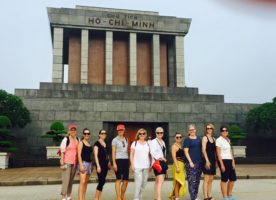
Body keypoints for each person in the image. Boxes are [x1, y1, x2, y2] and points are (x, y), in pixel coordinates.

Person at [216, 126, 237, 200]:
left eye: (226, 130)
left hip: (230, 160)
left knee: (232, 178)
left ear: (227, 132)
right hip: (223, 160)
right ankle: (225, 196)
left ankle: (229, 195)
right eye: (223, 130)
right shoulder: (218, 140)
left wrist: (233, 161)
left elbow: (230, 151)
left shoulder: (228, 139)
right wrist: (221, 164)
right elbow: (218, 153)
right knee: (224, 179)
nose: (224, 132)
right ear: (221, 132)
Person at [130, 128, 151, 200]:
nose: (142, 135)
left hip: (146, 166)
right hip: (137, 166)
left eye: (143, 133)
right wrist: (132, 165)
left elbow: (150, 155)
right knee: (138, 183)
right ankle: (136, 198)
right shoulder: (134, 143)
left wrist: (151, 164)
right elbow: (131, 154)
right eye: (140, 134)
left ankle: (140, 195)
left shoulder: (148, 143)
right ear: (138, 135)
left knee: (144, 183)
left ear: (145, 135)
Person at [60, 124, 79, 200]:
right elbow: (62, 151)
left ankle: (68, 195)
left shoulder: (78, 139)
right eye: (71, 130)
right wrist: (62, 162)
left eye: (74, 130)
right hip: (67, 162)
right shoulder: (66, 139)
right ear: (69, 131)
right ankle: (63, 196)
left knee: (71, 180)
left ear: (76, 131)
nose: (73, 131)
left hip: (74, 163)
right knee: (66, 180)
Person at [183, 124, 202, 200]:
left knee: (197, 181)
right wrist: (190, 162)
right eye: (190, 130)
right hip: (191, 163)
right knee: (192, 181)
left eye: (193, 129)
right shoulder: (187, 140)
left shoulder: (199, 139)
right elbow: (186, 151)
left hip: (199, 163)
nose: (192, 131)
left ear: (195, 130)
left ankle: (195, 195)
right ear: (189, 131)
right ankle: (193, 197)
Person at [112, 124, 129, 200]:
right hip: (118, 160)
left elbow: (127, 151)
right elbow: (113, 152)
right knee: (118, 179)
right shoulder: (115, 140)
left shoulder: (126, 139)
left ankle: (122, 195)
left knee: (125, 180)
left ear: (124, 130)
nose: (120, 131)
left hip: (126, 160)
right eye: (119, 130)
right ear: (117, 131)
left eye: (121, 130)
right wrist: (114, 163)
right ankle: (118, 197)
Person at [150, 127, 168, 200]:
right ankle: (159, 198)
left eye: (161, 132)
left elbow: (163, 152)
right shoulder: (154, 141)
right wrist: (161, 158)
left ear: (163, 133)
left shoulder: (162, 141)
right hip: (157, 163)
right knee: (160, 180)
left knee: (157, 181)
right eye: (158, 132)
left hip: (162, 162)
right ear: (156, 133)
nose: (160, 134)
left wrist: (163, 159)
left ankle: (156, 197)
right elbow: (152, 152)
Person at [169, 132, 187, 200]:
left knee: (180, 181)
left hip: (181, 165)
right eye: (177, 137)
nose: (178, 138)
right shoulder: (174, 146)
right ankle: (177, 197)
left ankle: (174, 196)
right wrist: (177, 167)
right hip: (177, 164)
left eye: (180, 137)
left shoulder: (181, 146)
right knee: (177, 181)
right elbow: (174, 157)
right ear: (174, 138)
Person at [94, 129, 110, 200]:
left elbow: (107, 154)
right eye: (102, 133)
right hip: (100, 164)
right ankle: (96, 198)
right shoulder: (96, 143)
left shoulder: (105, 143)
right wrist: (98, 166)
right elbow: (95, 156)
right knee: (101, 181)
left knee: (103, 181)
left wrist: (109, 161)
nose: (104, 134)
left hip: (105, 165)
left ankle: (99, 197)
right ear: (99, 135)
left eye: (105, 133)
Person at [202, 124, 217, 200]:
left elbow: (215, 152)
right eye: (207, 128)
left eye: (210, 128)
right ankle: (205, 197)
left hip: (213, 160)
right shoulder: (205, 138)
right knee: (206, 179)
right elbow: (203, 150)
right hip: (206, 160)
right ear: (206, 129)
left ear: (212, 129)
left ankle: (209, 195)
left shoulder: (214, 139)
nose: (209, 129)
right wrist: (207, 161)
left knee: (211, 179)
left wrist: (216, 162)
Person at [77, 128, 93, 200]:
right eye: (85, 133)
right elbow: (79, 154)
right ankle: (80, 198)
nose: (86, 135)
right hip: (83, 163)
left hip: (89, 164)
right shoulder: (81, 143)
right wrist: (81, 165)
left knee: (86, 182)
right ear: (83, 134)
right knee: (82, 182)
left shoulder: (89, 143)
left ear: (89, 135)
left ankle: (83, 198)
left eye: (88, 133)